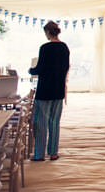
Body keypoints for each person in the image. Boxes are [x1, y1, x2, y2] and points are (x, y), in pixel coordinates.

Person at [28, 20, 70, 161]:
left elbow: (40, 69)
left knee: (40, 122)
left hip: (45, 90)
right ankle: (53, 152)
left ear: (47, 32)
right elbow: (66, 67)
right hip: (58, 88)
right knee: (54, 121)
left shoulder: (45, 48)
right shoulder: (64, 47)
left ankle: (39, 154)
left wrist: (30, 70)